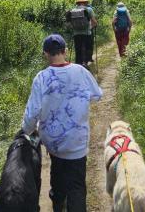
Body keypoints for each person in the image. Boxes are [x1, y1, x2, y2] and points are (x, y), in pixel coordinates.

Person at [23, 34, 103, 212]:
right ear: (65, 51)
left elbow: (32, 113)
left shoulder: (41, 78)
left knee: (57, 172)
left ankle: (58, 202)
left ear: (45, 54)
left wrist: (27, 131)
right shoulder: (81, 71)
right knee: (77, 185)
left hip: (54, 144)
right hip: (77, 143)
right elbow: (97, 95)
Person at [67, 0, 97, 68]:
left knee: (78, 50)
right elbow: (94, 22)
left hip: (76, 34)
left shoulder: (73, 10)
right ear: (86, 2)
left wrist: (74, 28)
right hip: (87, 33)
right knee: (88, 48)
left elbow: (68, 24)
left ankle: (78, 64)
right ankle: (85, 64)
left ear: (78, 2)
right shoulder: (89, 9)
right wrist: (91, 27)